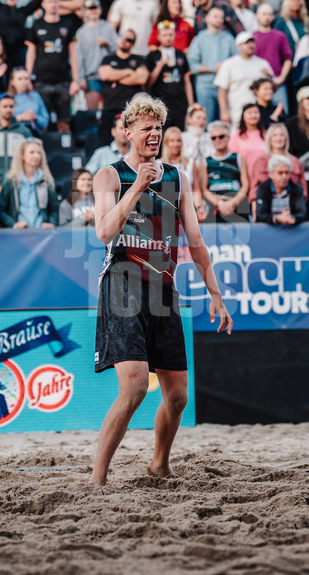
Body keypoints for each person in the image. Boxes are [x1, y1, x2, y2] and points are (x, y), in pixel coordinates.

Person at [89, 93, 231, 486]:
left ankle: (159, 464)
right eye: (146, 128)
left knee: (178, 396)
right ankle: (97, 480)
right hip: (122, 284)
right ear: (128, 132)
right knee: (135, 385)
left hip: (163, 288)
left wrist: (215, 294)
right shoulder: (110, 176)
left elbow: (196, 241)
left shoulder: (177, 177)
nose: (154, 134)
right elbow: (104, 232)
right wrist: (137, 186)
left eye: (158, 127)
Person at [25, 0, 81, 133]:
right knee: (42, 122)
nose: (53, 5)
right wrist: (28, 78)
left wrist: (75, 80)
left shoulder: (67, 24)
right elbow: (31, 53)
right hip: (41, 81)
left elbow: (73, 53)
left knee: (64, 122)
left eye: (56, 1)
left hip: (63, 81)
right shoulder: (37, 25)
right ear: (43, 4)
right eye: (50, 1)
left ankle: (65, 146)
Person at [215, 31, 273, 131]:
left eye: (252, 42)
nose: (250, 45)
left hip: (259, 114)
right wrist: (224, 112)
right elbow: (222, 90)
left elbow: (272, 88)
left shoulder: (263, 63)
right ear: (238, 46)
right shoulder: (229, 64)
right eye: (246, 42)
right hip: (236, 112)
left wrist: (270, 77)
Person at [196, 120, 249, 223]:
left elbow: (245, 185)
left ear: (228, 137)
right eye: (214, 138)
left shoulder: (238, 158)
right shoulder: (206, 161)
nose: (217, 140)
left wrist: (233, 202)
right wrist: (220, 204)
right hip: (215, 208)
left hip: (237, 206)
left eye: (221, 136)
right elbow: (204, 189)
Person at [0, 139, 59, 228]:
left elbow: (54, 209)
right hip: (19, 232)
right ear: (22, 155)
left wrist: (51, 223)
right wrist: (13, 224)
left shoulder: (46, 181)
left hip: (42, 232)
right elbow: (0, 209)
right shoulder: (11, 181)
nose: (36, 156)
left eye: (39, 153)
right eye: (32, 152)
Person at [0, 93, 33, 187]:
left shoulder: (24, 132)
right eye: (5, 106)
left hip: (18, 183)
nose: (8, 109)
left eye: (11, 106)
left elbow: (30, 158)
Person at [146, 21, 193, 130]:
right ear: (158, 36)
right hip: (160, 105)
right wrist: (160, 64)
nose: (168, 38)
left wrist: (191, 105)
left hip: (180, 104)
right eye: (164, 35)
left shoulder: (180, 54)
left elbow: (187, 80)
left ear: (174, 35)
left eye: (170, 34)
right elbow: (148, 84)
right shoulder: (152, 56)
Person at [254, 154, 306, 226]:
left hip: (292, 230)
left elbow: (302, 213)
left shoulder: (297, 189)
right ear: (271, 174)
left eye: (287, 172)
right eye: (280, 173)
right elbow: (260, 215)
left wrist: (292, 218)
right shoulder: (263, 188)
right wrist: (277, 219)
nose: (284, 176)